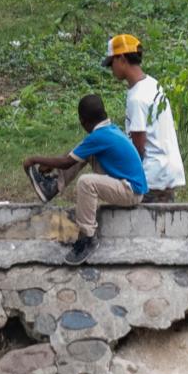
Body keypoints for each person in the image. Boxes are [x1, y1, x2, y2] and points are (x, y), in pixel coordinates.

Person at [21, 93, 148, 263]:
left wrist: (35, 160)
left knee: (86, 182)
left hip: (131, 191)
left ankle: (88, 237)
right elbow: (73, 156)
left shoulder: (99, 136)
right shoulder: (109, 130)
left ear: (83, 121)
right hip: (128, 185)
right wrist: (52, 164)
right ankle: (52, 186)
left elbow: (66, 163)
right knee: (83, 152)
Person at [104, 32, 185, 200]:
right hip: (169, 171)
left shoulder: (137, 98)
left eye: (112, 63)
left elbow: (138, 148)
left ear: (122, 60)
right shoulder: (153, 84)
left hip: (151, 176)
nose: (111, 69)